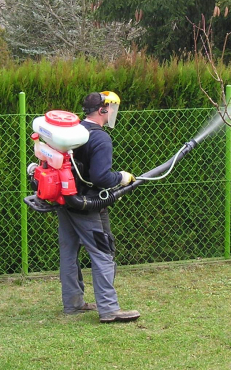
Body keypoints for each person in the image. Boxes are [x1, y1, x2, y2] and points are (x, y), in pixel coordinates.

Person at [56, 91, 140, 323]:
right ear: (103, 110)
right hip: (88, 205)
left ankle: (73, 303)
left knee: (69, 253)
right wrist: (121, 177)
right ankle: (109, 309)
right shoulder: (100, 138)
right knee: (103, 253)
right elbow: (101, 177)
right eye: (112, 109)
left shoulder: (74, 132)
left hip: (66, 201)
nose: (113, 113)